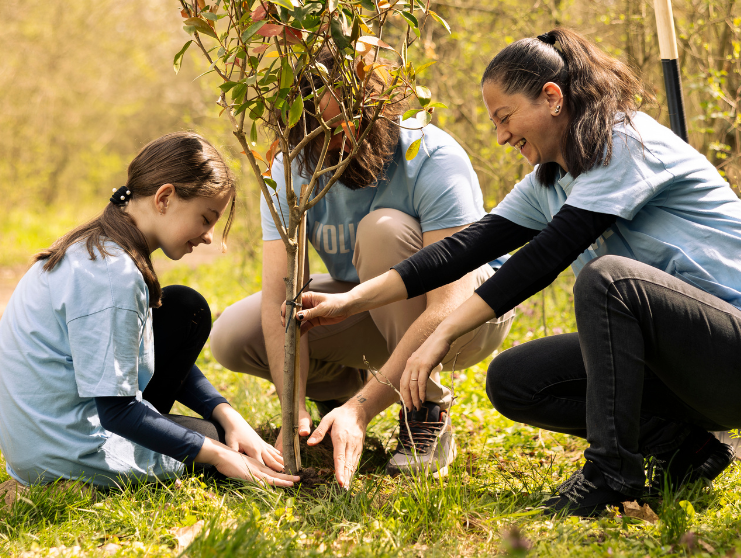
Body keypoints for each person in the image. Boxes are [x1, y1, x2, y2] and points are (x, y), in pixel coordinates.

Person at [296, 28, 741, 514]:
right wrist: (352, 300)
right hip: (686, 367)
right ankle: (686, 448)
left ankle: (612, 475)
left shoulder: (626, 142)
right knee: (515, 380)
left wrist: (442, 332)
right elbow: (466, 247)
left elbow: (545, 258)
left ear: (551, 97)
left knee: (609, 280)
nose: (500, 136)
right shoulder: (553, 178)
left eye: (505, 117)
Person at [210, 52, 514, 482]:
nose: (343, 142)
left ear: (381, 111)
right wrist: (290, 408)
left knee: (382, 231)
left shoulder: (430, 154)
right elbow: (282, 297)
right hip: (373, 307)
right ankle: (336, 395)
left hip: (469, 313)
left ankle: (423, 410)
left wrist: (363, 411)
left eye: (354, 125)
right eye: (327, 133)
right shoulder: (291, 167)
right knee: (234, 335)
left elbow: (451, 300)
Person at [0, 132, 298, 489]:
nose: (209, 236)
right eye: (205, 218)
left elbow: (134, 350)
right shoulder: (113, 276)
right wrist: (217, 453)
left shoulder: (100, 246)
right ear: (165, 198)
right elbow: (116, 412)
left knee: (185, 309)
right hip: (61, 451)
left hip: (40, 438)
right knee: (211, 443)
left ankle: (191, 431)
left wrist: (225, 412)